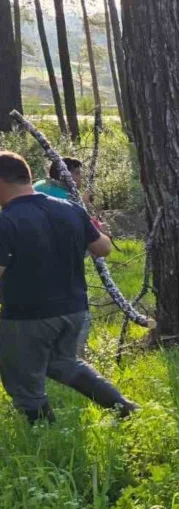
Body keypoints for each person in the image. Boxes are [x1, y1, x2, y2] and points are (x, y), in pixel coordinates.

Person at [0, 152, 138, 423]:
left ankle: (44, 438)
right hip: (74, 309)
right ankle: (126, 409)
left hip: (28, 316)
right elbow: (103, 247)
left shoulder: (6, 221)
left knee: (23, 382)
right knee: (63, 363)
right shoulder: (70, 208)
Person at [33, 156, 109, 234]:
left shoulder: (40, 184)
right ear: (65, 175)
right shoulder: (66, 197)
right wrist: (99, 230)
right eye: (77, 173)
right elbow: (76, 227)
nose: (81, 176)